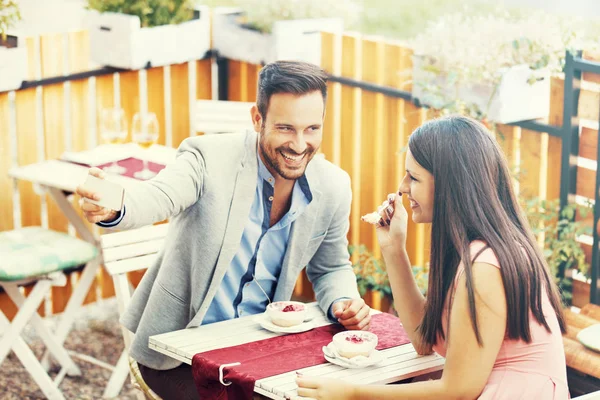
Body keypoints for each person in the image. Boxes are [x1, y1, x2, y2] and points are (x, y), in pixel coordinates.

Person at [76, 60, 371, 400]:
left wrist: (344, 302)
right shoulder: (208, 156)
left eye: (312, 129)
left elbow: (332, 267)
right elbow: (156, 196)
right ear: (257, 119)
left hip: (258, 352)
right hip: (178, 354)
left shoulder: (333, 186)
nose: (300, 145)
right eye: (286, 128)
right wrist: (113, 202)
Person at [297, 115, 569, 399]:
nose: (402, 187)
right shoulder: (475, 250)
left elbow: (458, 390)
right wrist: (393, 250)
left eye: (413, 177)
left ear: (451, 186)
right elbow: (424, 339)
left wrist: (353, 394)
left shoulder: (485, 266)